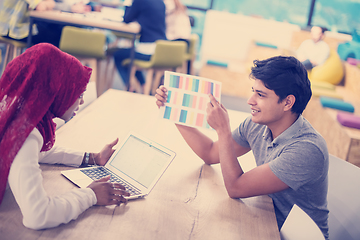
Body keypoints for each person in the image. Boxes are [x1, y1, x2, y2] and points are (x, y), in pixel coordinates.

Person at [155, 56, 329, 239]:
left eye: (260, 95)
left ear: (287, 102)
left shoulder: (306, 149)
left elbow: (236, 188)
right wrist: (172, 110)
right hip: (265, 219)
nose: (250, 100)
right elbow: (210, 153)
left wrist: (223, 129)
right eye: (253, 91)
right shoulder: (258, 124)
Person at [0, 43, 130, 230]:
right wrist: (91, 195)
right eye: (78, 93)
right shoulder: (24, 136)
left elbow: (39, 154)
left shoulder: (14, 115)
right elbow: (38, 215)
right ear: (56, 90)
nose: (82, 100)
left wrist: (92, 158)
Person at [113, 0, 167, 91]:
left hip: (148, 49)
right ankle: (143, 85)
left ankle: (130, 87)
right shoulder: (160, 2)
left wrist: (128, 2)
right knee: (131, 56)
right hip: (161, 49)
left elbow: (127, 18)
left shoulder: (139, 1)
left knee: (117, 55)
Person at [0, 0, 91, 48]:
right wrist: (49, 3)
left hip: (15, 27)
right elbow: (40, 6)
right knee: (59, 36)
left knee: (56, 30)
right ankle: (44, 78)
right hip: (13, 30)